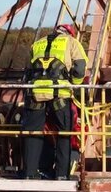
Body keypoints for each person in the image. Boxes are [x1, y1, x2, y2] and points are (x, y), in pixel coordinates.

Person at [22, 24, 88, 180]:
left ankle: (30, 174)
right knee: (65, 132)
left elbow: (28, 70)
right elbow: (80, 67)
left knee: (33, 132)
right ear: (70, 33)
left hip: (36, 93)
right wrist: (75, 84)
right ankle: (61, 175)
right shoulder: (71, 42)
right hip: (60, 93)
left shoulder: (37, 44)